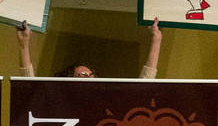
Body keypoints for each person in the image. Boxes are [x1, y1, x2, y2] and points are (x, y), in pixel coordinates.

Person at [16, 17, 162, 79]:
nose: (88, 78)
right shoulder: (56, 101)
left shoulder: (104, 103)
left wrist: (156, 39)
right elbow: (29, 87)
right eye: (82, 75)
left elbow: (143, 87)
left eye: (91, 75)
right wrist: (24, 45)